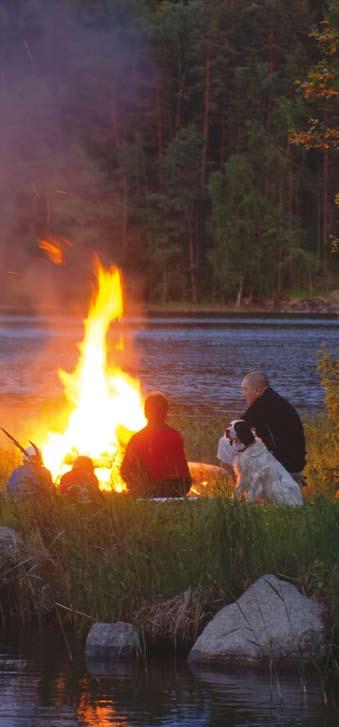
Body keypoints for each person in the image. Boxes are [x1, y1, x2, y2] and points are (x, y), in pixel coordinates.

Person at [120, 392, 192, 498]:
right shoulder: (175, 435)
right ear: (165, 413)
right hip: (177, 488)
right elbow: (183, 469)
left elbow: (124, 471)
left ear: (145, 413)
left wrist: (135, 483)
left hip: (149, 489)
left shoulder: (137, 438)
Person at [240, 371, 306, 481]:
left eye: (245, 389)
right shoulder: (275, 399)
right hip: (294, 464)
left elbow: (238, 428)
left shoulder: (262, 404)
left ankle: (231, 487)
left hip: (283, 467)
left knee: (228, 443)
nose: (243, 395)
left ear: (257, 390)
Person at [226, 419, 303, 506]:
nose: (229, 429)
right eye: (230, 426)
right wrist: (235, 498)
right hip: (279, 495)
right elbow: (242, 479)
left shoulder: (257, 452)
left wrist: (247, 502)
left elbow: (256, 480)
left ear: (244, 434)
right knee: (247, 477)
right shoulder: (245, 451)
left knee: (257, 476)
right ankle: (235, 499)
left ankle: (248, 502)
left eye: (236, 428)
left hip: (289, 495)